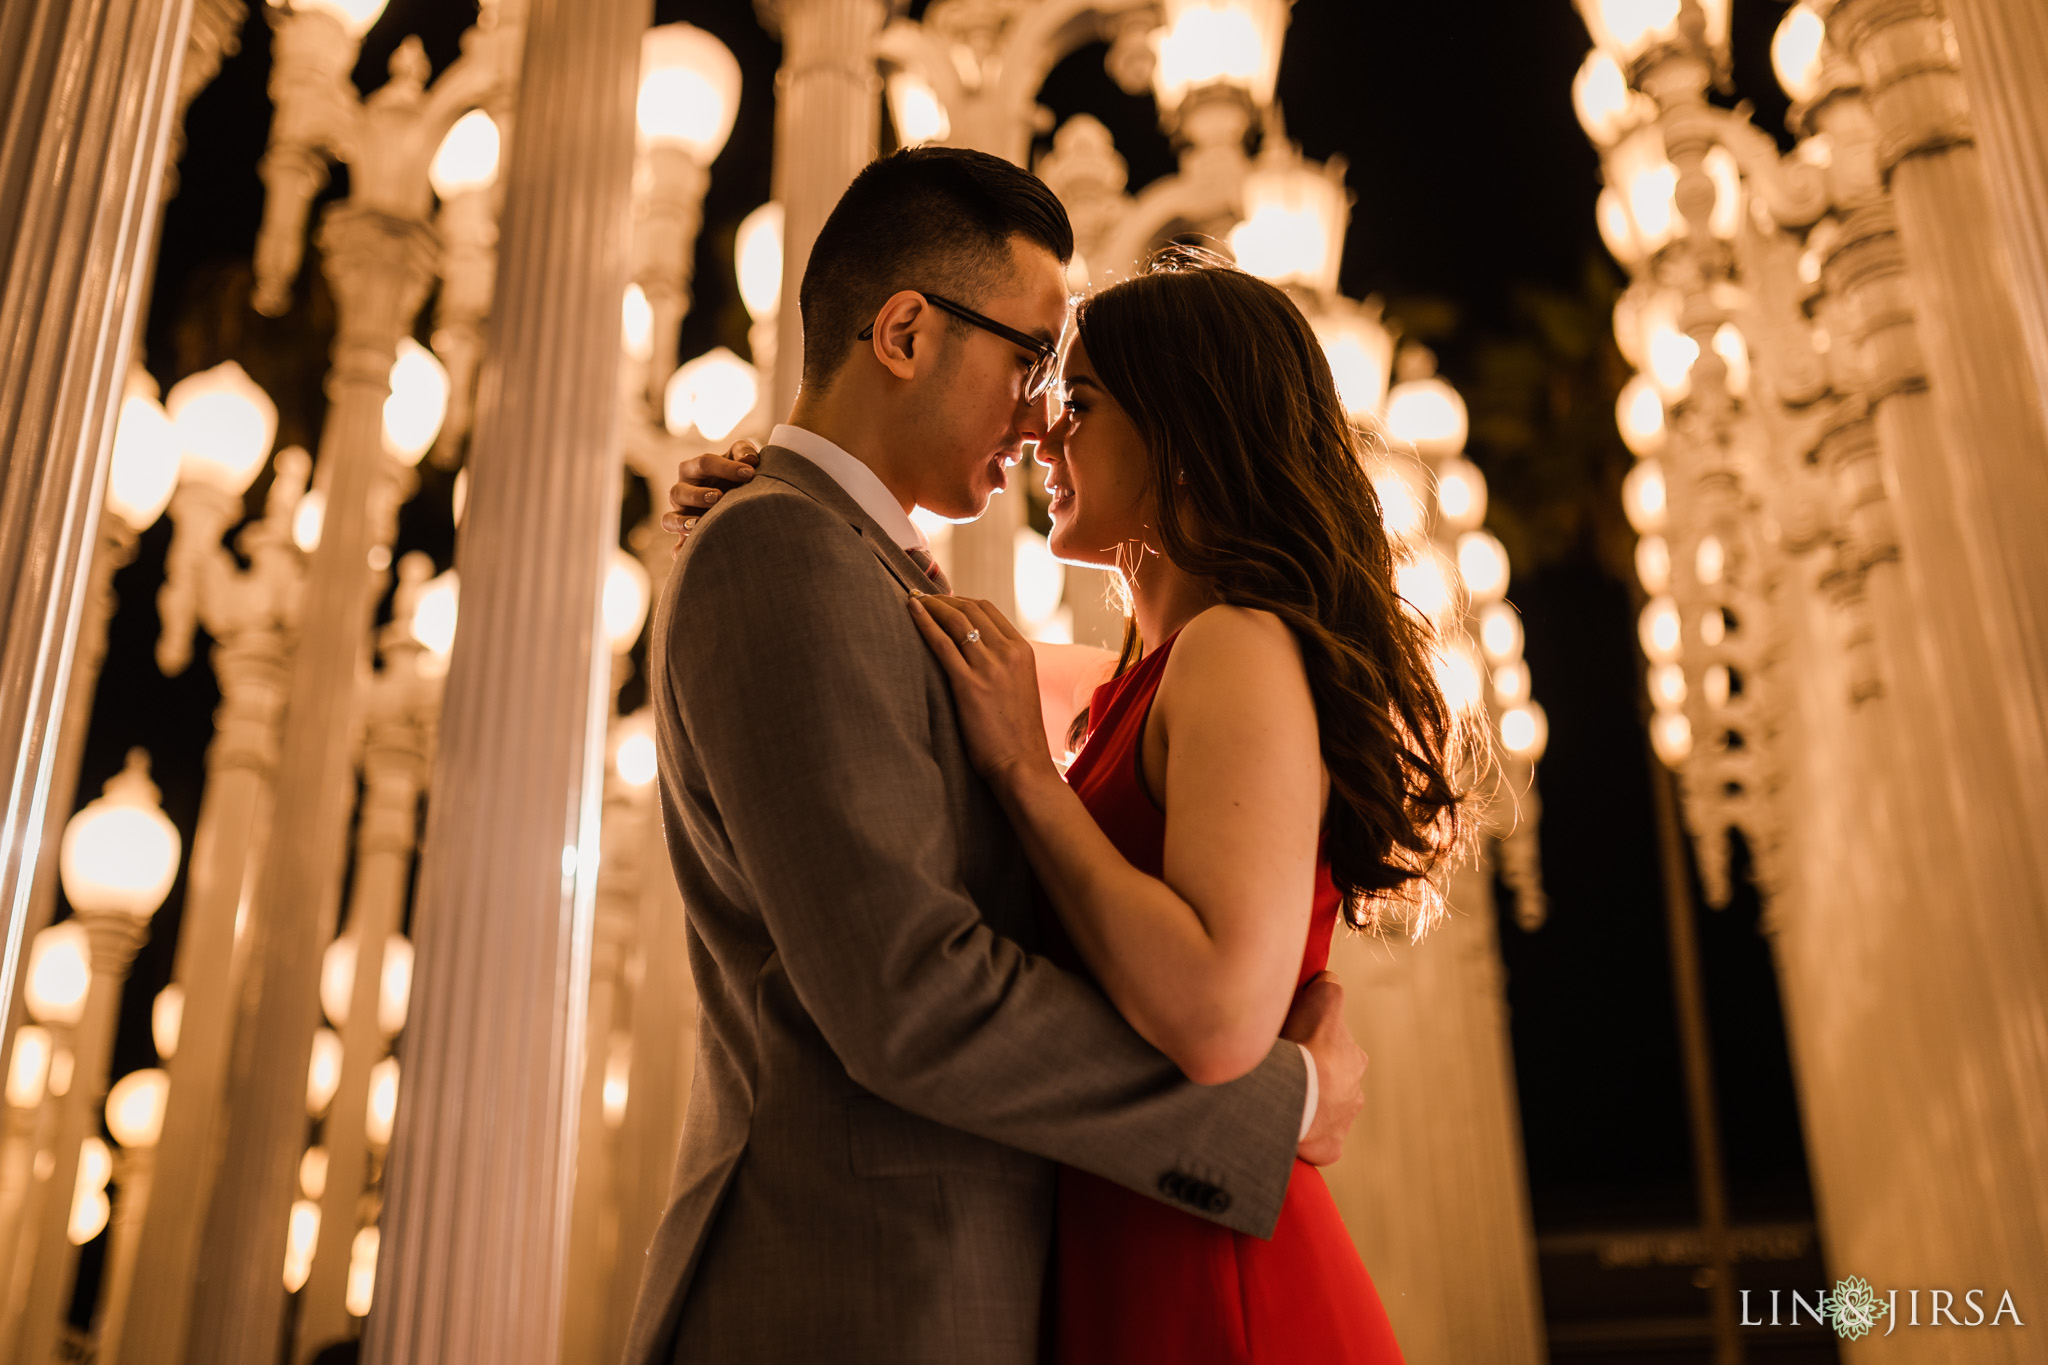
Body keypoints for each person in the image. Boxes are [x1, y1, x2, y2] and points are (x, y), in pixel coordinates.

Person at [622, 147, 1369, 1365]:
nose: (1039, 421)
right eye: (1033, 361)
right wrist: (1266, 1109)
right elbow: (910, 991)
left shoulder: (842, 564)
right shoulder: (788, 556)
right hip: (860, 1298)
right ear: (905, 333)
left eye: (1069, 392)